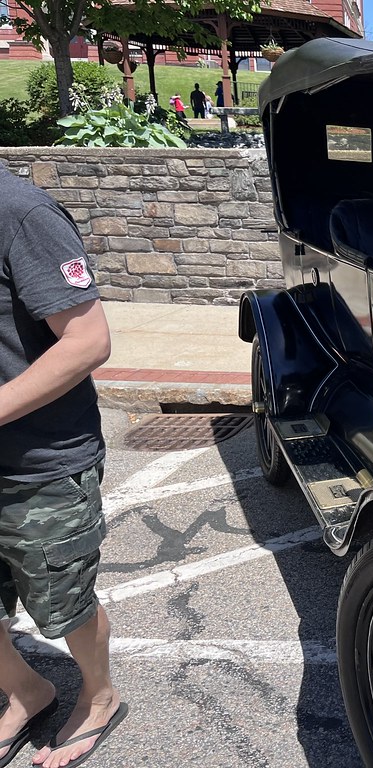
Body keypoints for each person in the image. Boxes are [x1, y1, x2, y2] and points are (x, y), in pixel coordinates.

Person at [0, 166, 128, 768]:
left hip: (39, 464)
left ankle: (100, 698)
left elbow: (87, 340)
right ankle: (29, 693)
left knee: (65, 602)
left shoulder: (20, 214)